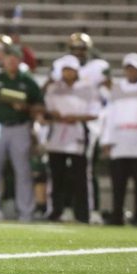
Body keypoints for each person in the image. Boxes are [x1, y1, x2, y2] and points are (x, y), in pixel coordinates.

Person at [0, 43, 44, 222]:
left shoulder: (27, 81)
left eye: (15, 58)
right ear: (3, 59)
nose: (11, 61)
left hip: (20, 127)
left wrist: (25, 107)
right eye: (8, 57)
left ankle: (26, 212)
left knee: (23, 170)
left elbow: (40, 107)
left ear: (20, 60)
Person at [43, 55, 100, 223]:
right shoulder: (53, 87)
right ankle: (55, 211)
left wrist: (75, 117)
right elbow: (46, 108)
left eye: (71, 70)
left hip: (78, 133)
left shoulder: (87, 88)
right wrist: (55, 115)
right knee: (56, 176)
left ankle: (83, 213)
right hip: (57, 134)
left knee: (81, 176)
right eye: (65, 70)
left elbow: (95, 112)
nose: (67, 73)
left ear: (77, 72)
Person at [101, 53, 137, 226]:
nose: (131, 72)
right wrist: (106, 140)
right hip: (120, 141)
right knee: (118, 183)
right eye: (129, 68)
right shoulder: (116, 89)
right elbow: (110, 116)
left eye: (134, 69)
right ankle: (117, 216)